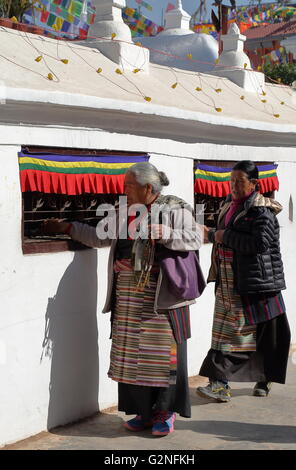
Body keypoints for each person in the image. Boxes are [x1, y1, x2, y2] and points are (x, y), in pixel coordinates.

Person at [44, 162, 204, 436]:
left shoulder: (176, 209)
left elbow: (196, 238)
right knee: (133, 356)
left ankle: (165, 412)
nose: (124, 190)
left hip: (161, 297)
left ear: (148, 188)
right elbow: (98, 236)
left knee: (162, 357)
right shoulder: (123, 212)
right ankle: (143, 413)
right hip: (128, 296)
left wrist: (168, 234)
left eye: (129, 185)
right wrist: (69, 227)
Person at [197, 160, 290, 403]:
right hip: (226, 281)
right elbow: (220, 236)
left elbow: (259, 244)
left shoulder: (263, 211)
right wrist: (210, 233)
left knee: (242, 336)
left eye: (240, 181)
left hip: (252, 283)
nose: (234, 186)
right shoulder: (228, 205)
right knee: (221, 333)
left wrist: (222, 236)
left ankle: (248, 379)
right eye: (232, 181)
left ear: (254, 184)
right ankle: (220, 384)